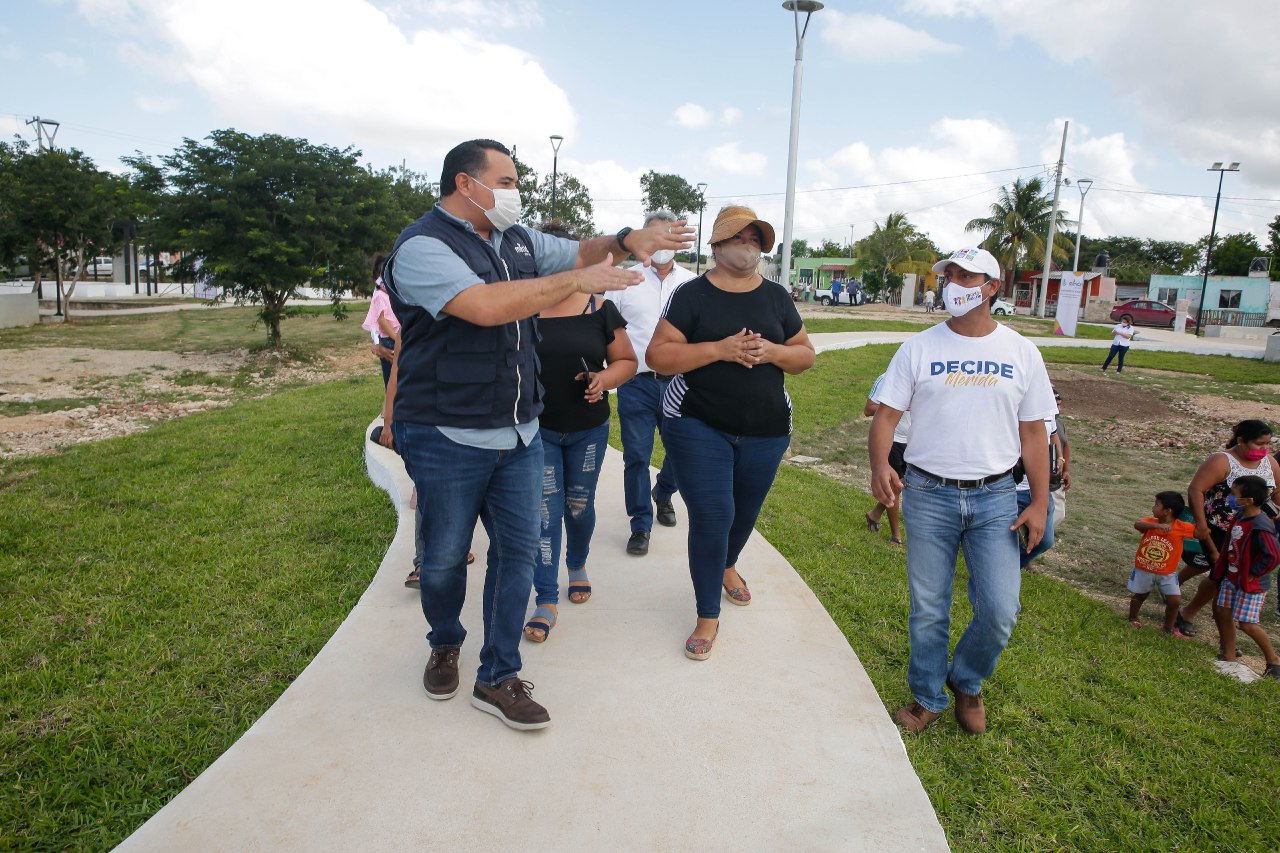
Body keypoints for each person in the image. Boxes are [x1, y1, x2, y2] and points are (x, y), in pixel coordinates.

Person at [383, 138, 692, 730]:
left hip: (522, 432)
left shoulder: (517, 239)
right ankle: (444, 640)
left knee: (519, 553)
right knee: (445, 557)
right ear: (465, 184)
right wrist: (577, 280)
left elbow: (581, 249)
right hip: (448, 434)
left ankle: (498, 674)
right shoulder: (422, 246)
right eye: (505, 180)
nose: (514, 192)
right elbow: (486, 306)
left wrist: (628, 241)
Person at [870, 246, 1056, 736]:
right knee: (929, 607)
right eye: (948, 274)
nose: (952, 282)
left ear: (992, 287)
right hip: (929, 493)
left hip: (997, 498)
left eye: (964, 275)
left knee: (1000, 610)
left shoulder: (1021, 353)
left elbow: (1035, 433)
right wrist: (878, 468)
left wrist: (1039, 501)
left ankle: (967, 680)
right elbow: (885, 416)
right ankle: (928, 696)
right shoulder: (918, 348)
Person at [648, 205, 815, 661]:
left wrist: (774, 351)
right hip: (697, 422)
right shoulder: (691, 295)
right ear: (717, 246)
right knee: (712, 515)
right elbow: (659, 356)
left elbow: (805, 356)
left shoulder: (778, 297)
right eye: (739, 238)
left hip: (767, 428)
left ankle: (728, 565)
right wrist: (719, 350)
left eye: (756, 238)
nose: (749, 245)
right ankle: (706, 615)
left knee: (744, 513)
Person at [524, 228, 638, 643]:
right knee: (543, 511)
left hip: (588, 430)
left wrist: (603, 378)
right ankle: (546, 598)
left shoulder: (600, 307)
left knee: (577, 505)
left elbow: (627, 360)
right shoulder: (522, 309)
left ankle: (577, 564)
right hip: (537, 430)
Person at [605, 210, 696, 556]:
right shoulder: (625, 280)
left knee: (681, 451)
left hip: (680, 384)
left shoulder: (691, 283)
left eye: (667, 236)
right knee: (637, 457)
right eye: (653, 236)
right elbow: (607, 329)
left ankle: (664, 492)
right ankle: (640, 524)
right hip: (636, 383)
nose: (661, 245)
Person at [1175, 419, 1279, 636]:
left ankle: (1187, 609)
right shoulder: (1222, 461)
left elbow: (1277, 493)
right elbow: (1196, 489)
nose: (1265, 449)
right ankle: (1196, 618)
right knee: (1221, 577)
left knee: (1220, 576)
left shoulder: (1270, 462)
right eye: (1259, 444)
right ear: (1241, 440)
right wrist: (1202, 526)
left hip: (1255, 532)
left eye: (1268, 444)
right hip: (1221, 531)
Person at [1211, 475, 1280, 678]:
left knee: (1247, 624)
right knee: (1223, 612)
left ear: (1248, 500)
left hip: (1251, 584)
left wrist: (1252, 573)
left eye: (1234, 494)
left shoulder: (1260, 524)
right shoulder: (1240, 516)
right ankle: (1229, 656)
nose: (1231, 498)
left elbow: (1273, 556)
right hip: (1231, 578)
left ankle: (1273, 661)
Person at [1126, 491, 1197, 634]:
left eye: (1156, 505)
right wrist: (1157, 527)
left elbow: (1200, 532)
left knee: (1174, 601)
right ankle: (1132, 617)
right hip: (1144, 569)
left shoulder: (1181, 527)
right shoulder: (1151, 522)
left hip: (1168, 573)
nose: (1153, 508)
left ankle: (1167, 628)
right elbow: (1137, 524)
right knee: (1140, 595)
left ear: (1167, 511)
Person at [864, 372, 909, 546]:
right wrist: (900, 406)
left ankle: (875, 514)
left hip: (914, 441)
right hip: (894, 440)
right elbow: (869, 409)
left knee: (901, 485)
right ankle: (896, 537)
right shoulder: (886, 378)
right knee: (894, 486)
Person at [361, 255, 400, 388]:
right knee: (391, 380)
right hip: (390, 340)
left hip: (398, 337)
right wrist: (396, 338)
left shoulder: (394, 293)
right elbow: (382, 321)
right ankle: (390, 406)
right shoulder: (379, 295)